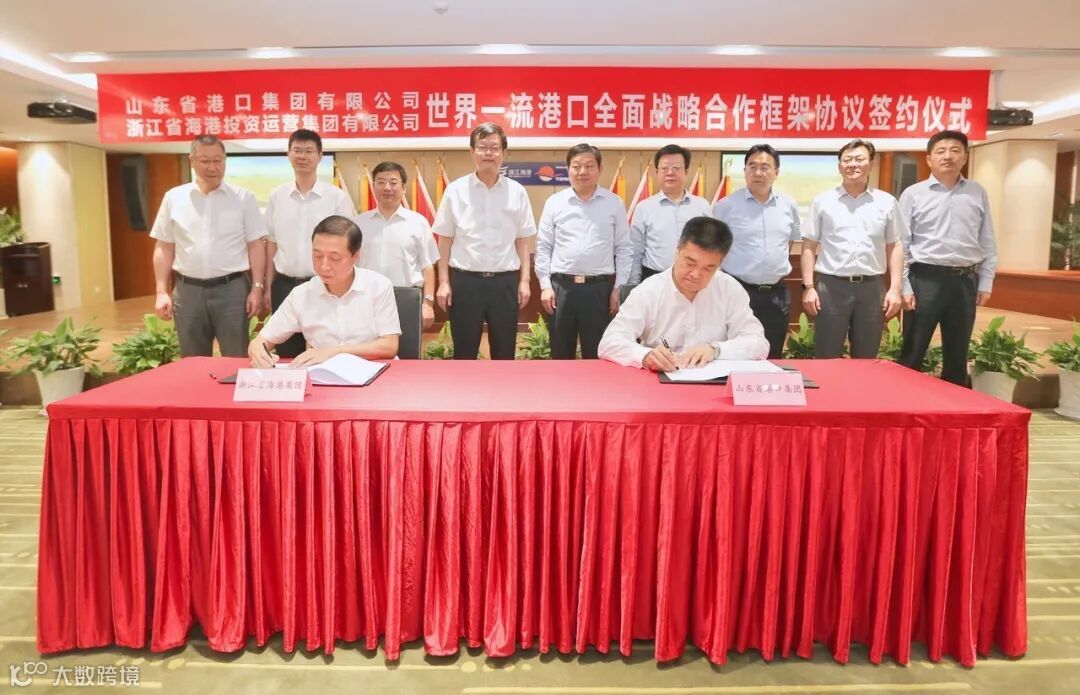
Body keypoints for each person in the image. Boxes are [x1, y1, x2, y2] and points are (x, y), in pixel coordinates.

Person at [599, 216, 769, 370]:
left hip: (713, 385)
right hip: (660, 383)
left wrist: (716, 350)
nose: (696, 274)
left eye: (708, 268)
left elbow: (758, 343)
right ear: (678, 249)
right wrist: (646, 356)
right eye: (690, 263)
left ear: (720, 263)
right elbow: (609, 342)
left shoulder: (729, 289)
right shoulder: (649, 290)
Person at [151, 134, 266, 357]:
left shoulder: (243, 198)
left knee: (236, 357)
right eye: (205, 161)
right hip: (188, 291)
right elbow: (164, 247)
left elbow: (255, 245)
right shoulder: (174, 198)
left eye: (218, 160)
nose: (212, 167)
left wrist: (257, 288)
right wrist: (161, 291)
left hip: (232, 290)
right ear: (192, 161)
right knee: (192, 360)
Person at [898, 130, 997, 386]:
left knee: (958, 352)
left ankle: (955, 405)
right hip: (925, 279)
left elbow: (987, 239)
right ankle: (904, 402)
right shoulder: (913, 194)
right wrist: (904, 285)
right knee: (913, 349)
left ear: (965, 157)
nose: (948, 156)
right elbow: (902, 244)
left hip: (965, 281)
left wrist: (986, 281)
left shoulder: (977, 192)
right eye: (941, 151)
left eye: (955, 150)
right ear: (929, 159)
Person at [433, 122, 536, 359]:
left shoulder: (517, 191)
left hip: (505, 283)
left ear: (504, 153)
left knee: (504, 352)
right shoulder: (455, 190)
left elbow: (523, 241)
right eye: (482, 147)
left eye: (494, 147)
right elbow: (444, 240)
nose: (488, 153)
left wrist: (524, 281)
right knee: (464, 353)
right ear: (472, 152)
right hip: (465, 283)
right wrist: (444, 282)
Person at [800, 139, 905, 358]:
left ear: (871, 164)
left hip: (872, 288)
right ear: (839, 167)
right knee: (826, 355)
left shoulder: (886, 202)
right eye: (847, 160)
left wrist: (895, 288)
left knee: (866, 355)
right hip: (831, 287)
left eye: (859, 159)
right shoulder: (822, 202)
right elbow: (809, 245)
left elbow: (894, 245)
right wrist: (808, 287)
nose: (853, 164)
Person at [248, 215, 400, 367]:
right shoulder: (301, 295)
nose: (324, 266)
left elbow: (389, 346)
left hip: (376, 371)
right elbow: (261, 341)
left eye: (334, 258)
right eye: (318, 256)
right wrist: (257, 350)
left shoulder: (378, 286)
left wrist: (334, 352)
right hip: (324, 374)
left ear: (355, 256)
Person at [264, 129, 356, 357]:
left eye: (308, 151)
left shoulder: (336, 197)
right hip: (284, 285)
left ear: (320, 155)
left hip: (324, 286)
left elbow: (347, 245)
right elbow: (272, 243)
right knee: (287, 352)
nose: (302, 156)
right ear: (288, 154)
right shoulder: (277, 196)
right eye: (297, 150)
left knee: (323, 351)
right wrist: (267, 286)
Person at [535, 143, 632, 359]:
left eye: (589, 166)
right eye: (576, 166)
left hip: (599, 290)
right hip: (561, 289)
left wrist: (618, 288)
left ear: (599, 169)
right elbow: (543, 247)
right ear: (568, 169)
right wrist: (545, 286)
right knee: (560, 354)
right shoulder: (555, 203)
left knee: (597, 354)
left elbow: (624, 249)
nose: (582, 172)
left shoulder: (614, 203)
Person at [714, 144, 801, 358]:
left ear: (776, 172)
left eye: (764, 167)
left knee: (772, 353)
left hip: (776, 294)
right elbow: (716, 247)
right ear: (745, 171)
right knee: (735, 353)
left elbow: (789, 243)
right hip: (738, 291)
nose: (758, 172)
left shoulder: (788, 205)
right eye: (752, 167)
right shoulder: (726, 206)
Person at [356, 161, 439, 329]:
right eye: (381, 182)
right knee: (366, 345)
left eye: (393, 182)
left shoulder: (418, 222)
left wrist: (428, 303)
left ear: (404, 188)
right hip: (366, 299)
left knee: (407, 345)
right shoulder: (358, 223)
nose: (387, 187)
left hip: (406, 297)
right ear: (373, 186)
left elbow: (428, 266)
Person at [629, 144, 713, 283]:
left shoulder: (702, 206)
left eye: (676, 168)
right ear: (657, 172)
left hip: (694, 279)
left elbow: (711, 248)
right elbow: (635, 253)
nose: (670, 173)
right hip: (654, 280)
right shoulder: (644, 208)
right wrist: (633, 284)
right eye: (664, 168)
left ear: (686, 171)